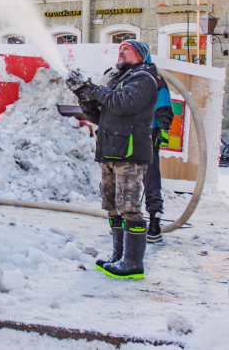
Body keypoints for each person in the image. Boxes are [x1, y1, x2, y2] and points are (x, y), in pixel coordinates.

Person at [65, 39, 160, 280]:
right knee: (112, 206)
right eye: (119, 49)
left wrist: (93, 87)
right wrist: (82, 94)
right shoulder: (117, 79)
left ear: (139, 55)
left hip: (130, 152)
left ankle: (132, 263)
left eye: (126, 49)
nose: (121, 52)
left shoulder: (144, 79)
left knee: (129, 206)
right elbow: (97, 114)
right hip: (109, 149)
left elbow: (123, 104)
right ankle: (118, 256)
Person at [145, 65, 174, 243]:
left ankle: (154, 220)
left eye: (127, 50)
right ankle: (122, 221)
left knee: (151, 179)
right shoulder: (120, 74)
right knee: (125, 182)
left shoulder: (155, 77)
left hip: (148, 134)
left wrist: (163, 128)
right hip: (125, 136)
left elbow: (164, 104)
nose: (121, 53)